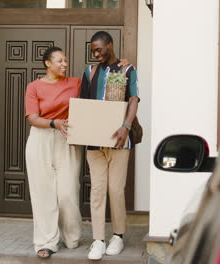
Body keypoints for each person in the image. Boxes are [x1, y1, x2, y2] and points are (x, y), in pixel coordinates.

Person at [79, 31, 139, 260]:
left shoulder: (127, 70)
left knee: (115, 190)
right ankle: (97, 240)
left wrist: (126, 126)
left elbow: (133, 99)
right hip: (94, 142)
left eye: (99, 49)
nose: (96, 54)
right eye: (93, 50)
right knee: (97, 191)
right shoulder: (89, 71)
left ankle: (118, 236)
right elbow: (82, 104)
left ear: (110, 46)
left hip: (119, 141)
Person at [24, 46, 83, 259]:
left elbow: (99, 77)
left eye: (65, 61)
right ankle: (47, 241)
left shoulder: (75, 83)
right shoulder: (34, 87)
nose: (64, 64)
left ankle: (72, 236)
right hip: (41, 137)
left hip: (67, 138)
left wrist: (120, 65)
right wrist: (53, 123)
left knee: (67, 192)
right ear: (48, 63)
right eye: (60, 61)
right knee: (43, 193)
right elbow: (32, 117)